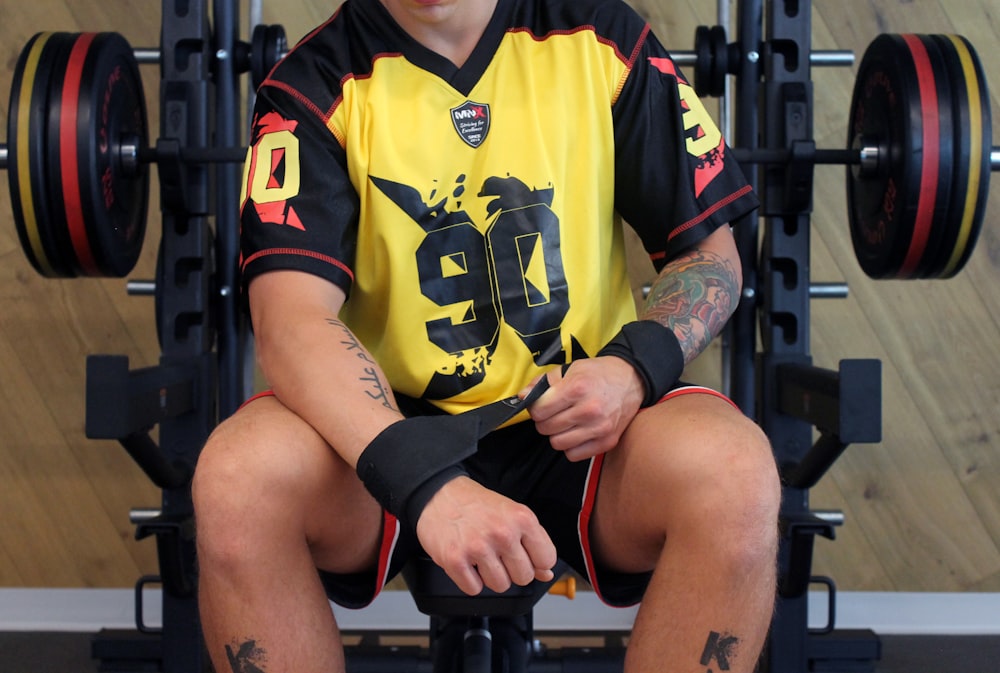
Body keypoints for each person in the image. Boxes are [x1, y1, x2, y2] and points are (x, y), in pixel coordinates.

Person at [192, 0, 781, 671]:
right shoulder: (312, 86)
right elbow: (290, 319)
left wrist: (632, 370)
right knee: (237, 480)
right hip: (390, 435)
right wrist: (425, 483)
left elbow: (712, 257)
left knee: (737, 476)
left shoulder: (603, 42)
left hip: (584, 423)